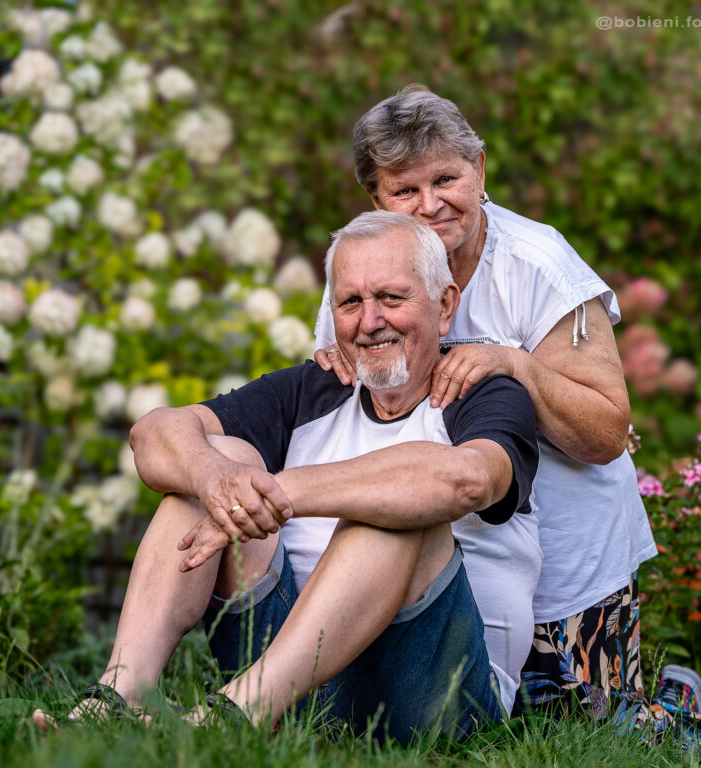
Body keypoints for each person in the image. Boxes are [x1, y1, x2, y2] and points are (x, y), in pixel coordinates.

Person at [34, 211, 540, 742]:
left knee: (397, 507)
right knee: (211, 464)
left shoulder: (484, 392)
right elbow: (153, 434)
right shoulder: (316, 388)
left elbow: (467, 480)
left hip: (433, 692)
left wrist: (283, 493)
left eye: (391, 298)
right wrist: (213, 478)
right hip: (295, 685)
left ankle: (227, 721)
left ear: (444, 306)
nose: (370, 321)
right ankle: (117, 699)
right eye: (350, 303)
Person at [312, 86, 657, 715]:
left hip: (565, 562)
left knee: (585, 725)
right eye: (405, 190)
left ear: (479, 168)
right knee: (442, 718)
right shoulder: (367, 271)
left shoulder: (537, 264)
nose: (431, 204)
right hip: (426, 554)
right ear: (375, 199)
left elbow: (608, 431)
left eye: (447, 178)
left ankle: (680, 698)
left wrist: (515, 364)